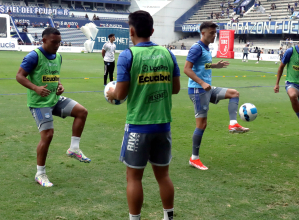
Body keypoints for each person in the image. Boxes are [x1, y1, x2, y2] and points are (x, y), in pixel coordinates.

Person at [106, 11, 180, 220]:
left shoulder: (128, 55)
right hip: (163, 125)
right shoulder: (168, 54)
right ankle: (168, 217)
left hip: (139, 125)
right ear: (152, 30)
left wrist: (111, 92)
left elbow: (120, 94)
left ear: (131, 31)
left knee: (134, 177)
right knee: (163, 176)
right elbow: (175, 88)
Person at [15, 28, 91, 187]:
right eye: (54, 42)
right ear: (43, 40)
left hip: (55, 99)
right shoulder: (34, 56)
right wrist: (35, 88)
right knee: (48, 135)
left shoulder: (58, 56)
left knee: (82, 112)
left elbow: (55, 74)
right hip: (39, 103)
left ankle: (74, 149)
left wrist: (60, 85)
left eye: (59, 42)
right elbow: (19, 76)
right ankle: (40, 174)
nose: (57, 45)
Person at [184, 21, 249, 170]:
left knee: (234, 94)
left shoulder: (206, 49)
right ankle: (194, 158)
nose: (214, 35)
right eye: (212, 33)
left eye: (215, 33)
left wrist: (214, 66)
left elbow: (202, 65)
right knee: (202, 125)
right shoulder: (196, 47)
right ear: (203, 33)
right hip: (198, 90)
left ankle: (233, 124)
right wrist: (201, 83)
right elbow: (187, 69)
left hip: (207, 88)